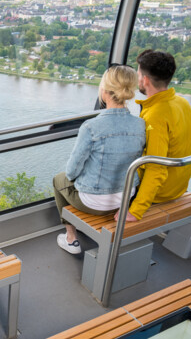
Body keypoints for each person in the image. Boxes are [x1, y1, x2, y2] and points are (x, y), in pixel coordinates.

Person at [54, 65, 146, 254]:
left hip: (93, 203)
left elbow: (72, 171)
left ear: (104, 92)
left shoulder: (91, 127)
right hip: (126, 198)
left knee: (58, 180)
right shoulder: (140, 125)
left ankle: (71, 238)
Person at [117, 50, 191, 221]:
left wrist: (135, 210)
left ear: (145, 80)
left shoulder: (156, 116)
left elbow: (156, 168)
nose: (138, 78)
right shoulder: (181, 102)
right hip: (178, 186)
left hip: (162, 193)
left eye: (138, 74)